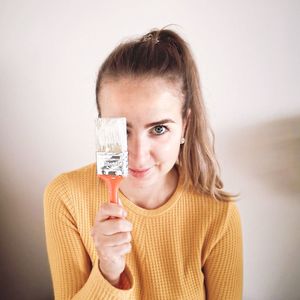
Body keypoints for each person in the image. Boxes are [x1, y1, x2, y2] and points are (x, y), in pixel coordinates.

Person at [44, 27, 243, 300]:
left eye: (159, 129)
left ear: (185, 125)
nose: (138, 156)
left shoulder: (217, 212)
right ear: (101, 123)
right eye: (122, 129)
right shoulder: (66, 196)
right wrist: (109, 272)